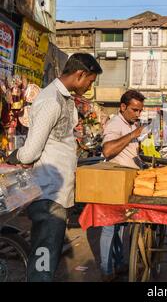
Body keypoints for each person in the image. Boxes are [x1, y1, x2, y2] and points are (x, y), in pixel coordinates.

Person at [6, 53, 102, 281]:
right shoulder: (50, 100)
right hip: (48, 193)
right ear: (80, 74)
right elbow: (30, 152)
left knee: (47, 258)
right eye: (90, 81)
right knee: (43, 261)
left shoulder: (66, 98)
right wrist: (14, 156)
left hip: (58, 193)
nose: (90, 86)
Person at [99, 90, 146, 281]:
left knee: (119, 228)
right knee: (110, 227)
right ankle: (106, 269)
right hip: (114, 183)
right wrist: (134, 134)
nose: (138, 114)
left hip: (126, 183)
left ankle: (118, 263)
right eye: (134, 110)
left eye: (140, 111)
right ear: (123, 107)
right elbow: (108, 150)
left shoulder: (129, 124)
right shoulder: (115, 124)